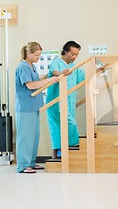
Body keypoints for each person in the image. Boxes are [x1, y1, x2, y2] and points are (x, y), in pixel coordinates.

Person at [15, 42, 59, 173]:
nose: (38, 57)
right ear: (29, 53)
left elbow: (37, 78)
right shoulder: (23, 67)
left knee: (34, 136)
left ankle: (31, 163)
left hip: (33, 106)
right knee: (25, 137)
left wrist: (49, 76)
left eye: (39, 55)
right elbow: (31, 85)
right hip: (25, 107)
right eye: (36, 55)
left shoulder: (32, 66)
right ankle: (23, 165)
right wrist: (48, 81)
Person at [46, 41, 85, 159]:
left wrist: (99, 70)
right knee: (59, 127)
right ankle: (72, 147)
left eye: (77, 54)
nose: (74, 57)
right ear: (66, 51)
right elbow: (54, 72)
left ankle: (57, 155)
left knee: (63, 127)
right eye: (72, 54)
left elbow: (84, 78)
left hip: (69, 103)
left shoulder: (74, 67)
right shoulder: (56, 63)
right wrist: (62, 73)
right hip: (56, 102)